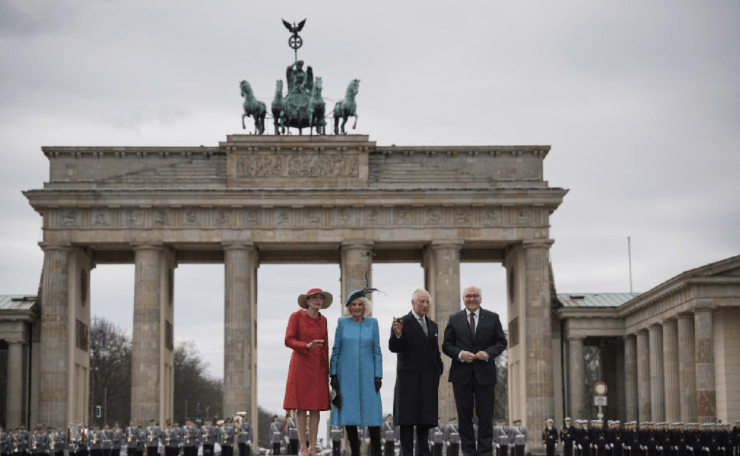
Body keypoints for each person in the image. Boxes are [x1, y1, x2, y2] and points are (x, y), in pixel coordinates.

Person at [442, 286, 507, 456]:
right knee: (464, 418)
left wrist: (488, 353)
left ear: (480, 298)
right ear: (463, 299)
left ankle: (485, 452)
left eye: (475, 296)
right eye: (468, 296)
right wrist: (460, 354)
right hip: (460, 375)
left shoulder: (492, 318)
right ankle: (469, 452)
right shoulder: (454, 318)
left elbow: (501, 342)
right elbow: (446, 346)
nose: (472, 299)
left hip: (485, 374)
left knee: (485, 417)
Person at [389, 289, 444, 456]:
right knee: (407, 425)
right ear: (413, 303)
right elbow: (394, 347)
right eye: (422, 302)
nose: (425, 305)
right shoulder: (401, 322)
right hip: (408, 382)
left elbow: (435, 352)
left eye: (427, 302)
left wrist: (438, 368)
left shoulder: (433, 325)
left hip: (427, 381)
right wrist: (397, 334)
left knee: (424, 425)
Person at [330, 289, 384, 456]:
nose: (357, 307)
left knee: (373, 415)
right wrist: (333, 375)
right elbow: (336, 350)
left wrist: (378, 375)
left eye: (360, 304)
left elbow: (377, 351)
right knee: (349, 416)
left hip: (368, 376)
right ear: (349, 307)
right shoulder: (342, 323)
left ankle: (377, 451)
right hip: (346, 376)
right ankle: (355, 451)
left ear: (365, 306)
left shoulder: (373, 323)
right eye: (353, 304)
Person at [284, 288, 333, 456]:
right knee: (300, 408)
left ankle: (312, 446)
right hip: (301, 364)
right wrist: (306, 345)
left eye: (320, 298)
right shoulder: (295, 316)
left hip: (318, 366)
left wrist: (327, 370)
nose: (318, 301)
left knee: (315, 408)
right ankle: (303, 448)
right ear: (307, 301)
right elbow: (288, 340)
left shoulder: (324, 320)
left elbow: (326, 345)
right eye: (315, 298)